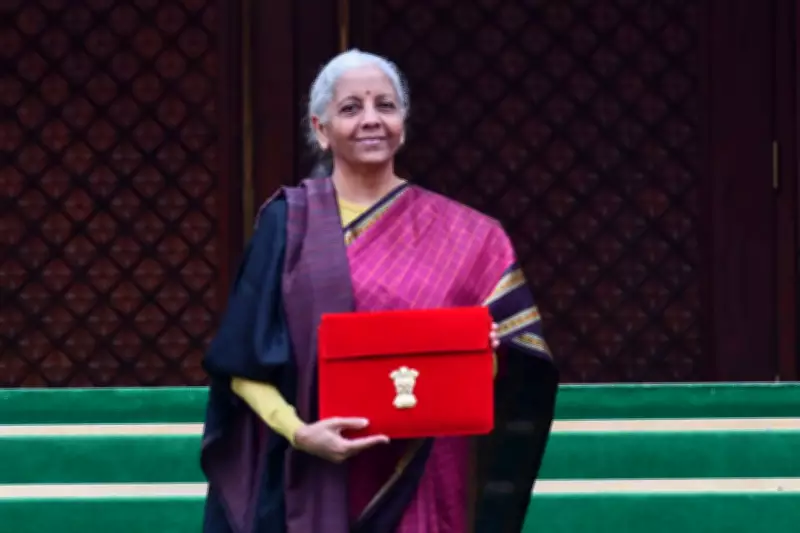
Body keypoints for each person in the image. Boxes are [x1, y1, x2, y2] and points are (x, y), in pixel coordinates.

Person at [200, 49, 558, 533]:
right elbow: (240, 362)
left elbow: (511, 368)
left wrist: (484, 357)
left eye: (385, 105)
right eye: (351, 108)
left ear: (403, 124)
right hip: (316, 475)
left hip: (424, 472)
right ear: (321, 129)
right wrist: (300, 433)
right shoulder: (289, 224)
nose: (371, 119)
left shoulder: (470, 237)